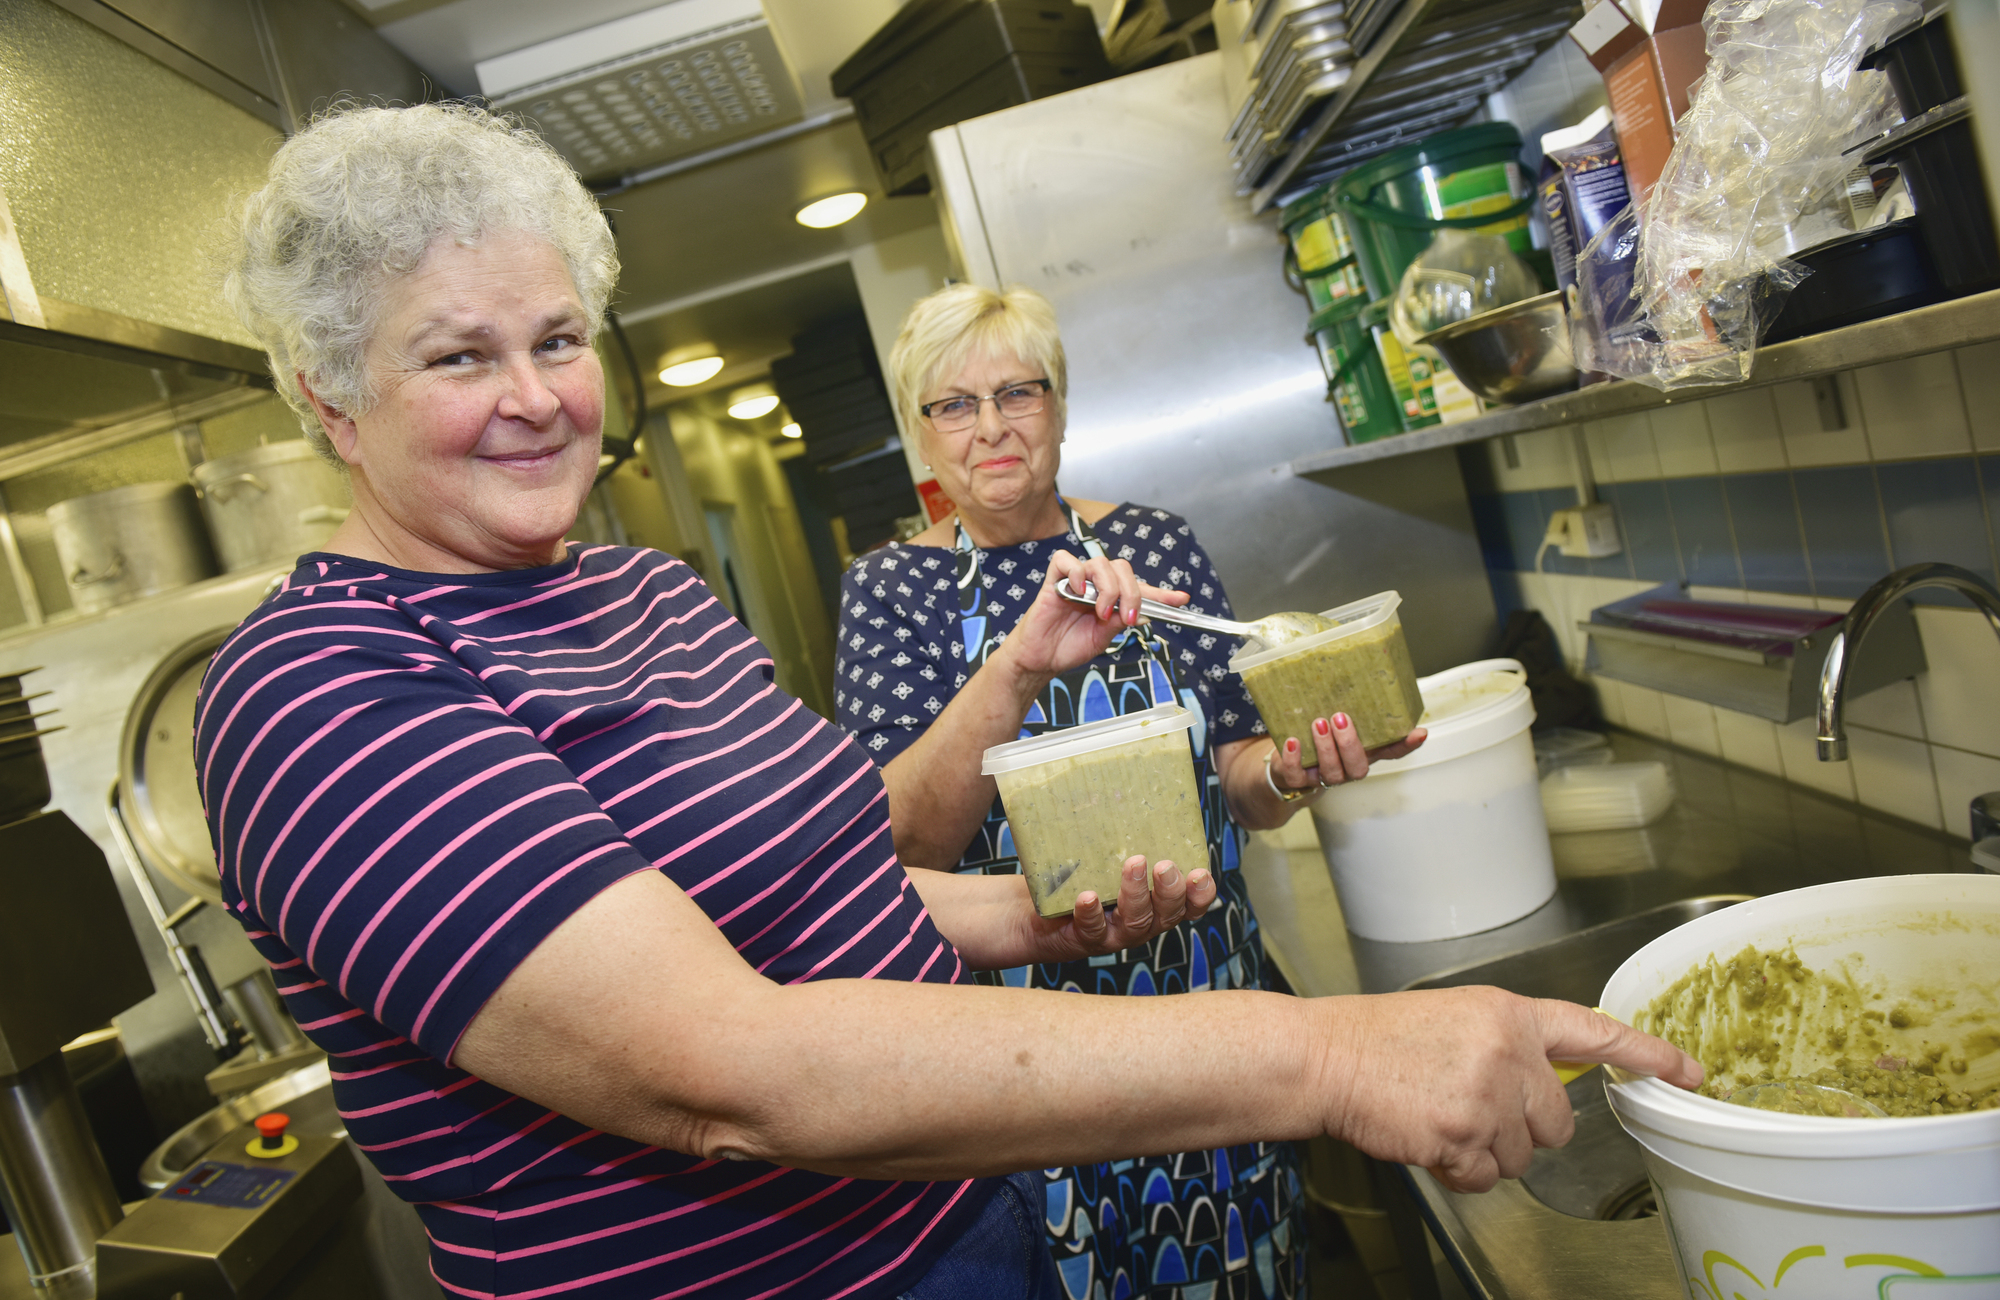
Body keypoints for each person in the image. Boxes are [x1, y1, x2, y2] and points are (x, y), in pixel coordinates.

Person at [199, 102, 1701, 1300]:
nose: (533, 397)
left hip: (958, 1232)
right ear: (332, 399)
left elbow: (840, 885)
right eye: (459, 355)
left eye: (558, 340)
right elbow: (732, 1075)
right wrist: (1331, 1053)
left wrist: (1025, 922)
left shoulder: (645, 595)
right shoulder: (322, 692)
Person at [834, 282, 1428, 1297]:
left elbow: (1236, 773)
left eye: (1017, 392)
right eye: (953, 404)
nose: (990, 427)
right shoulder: (893, 591)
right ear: (919, 437)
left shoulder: (1151, 542)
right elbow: (907, 843)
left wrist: (1283, 771)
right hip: (1033, 1052)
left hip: (1209, 1007)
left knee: (1248, 1266)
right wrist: (1010, 672)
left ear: (1058, 407)